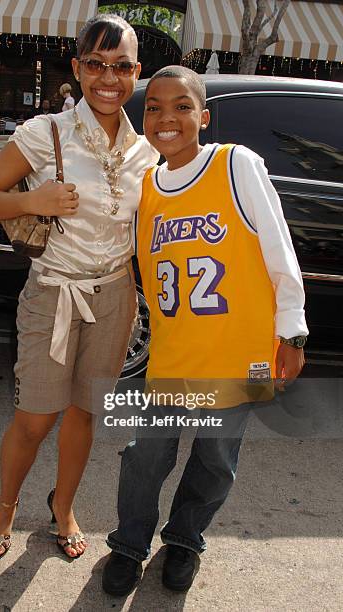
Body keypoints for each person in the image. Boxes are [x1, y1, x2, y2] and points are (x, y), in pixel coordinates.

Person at [102, 65, 308, 595]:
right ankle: (128, 544)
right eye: (154, 107)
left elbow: (278, 249)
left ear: (204, 116)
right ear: (143, 118)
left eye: (182, 106)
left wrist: (293, 330)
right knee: (145, 454)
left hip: (240, 354)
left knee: (216, 459)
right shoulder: (146, 188)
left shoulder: (235, 163)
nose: (167, 117)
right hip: (173, 357)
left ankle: (185, 539)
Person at [0, 14, 158, 560]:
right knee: (35, 418)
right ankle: (5, 506)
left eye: (120, 67)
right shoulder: (45, 133)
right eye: (95, 64)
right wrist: (32, 200)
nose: (107, 78)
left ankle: (64, 505)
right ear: (77, 67)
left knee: (84, 412)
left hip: (116, 296)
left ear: (135, 73)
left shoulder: (145, 153)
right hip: (53, 292)